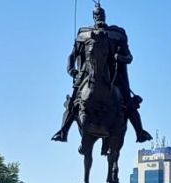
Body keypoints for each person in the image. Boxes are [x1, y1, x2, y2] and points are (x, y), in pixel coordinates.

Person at [51, 2, 153, 143]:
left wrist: (120, 57)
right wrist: (71, 70)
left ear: (105, 15)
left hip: (114, 75)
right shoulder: (83, 34)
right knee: (72, 103)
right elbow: (72, 55)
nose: (99, 16)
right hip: (86, 74)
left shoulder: (117, 34)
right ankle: (63, 132)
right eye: (97, 14)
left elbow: (129, 57)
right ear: (93, 16)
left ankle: (140, 132)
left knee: (129, 103)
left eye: (101, 14)